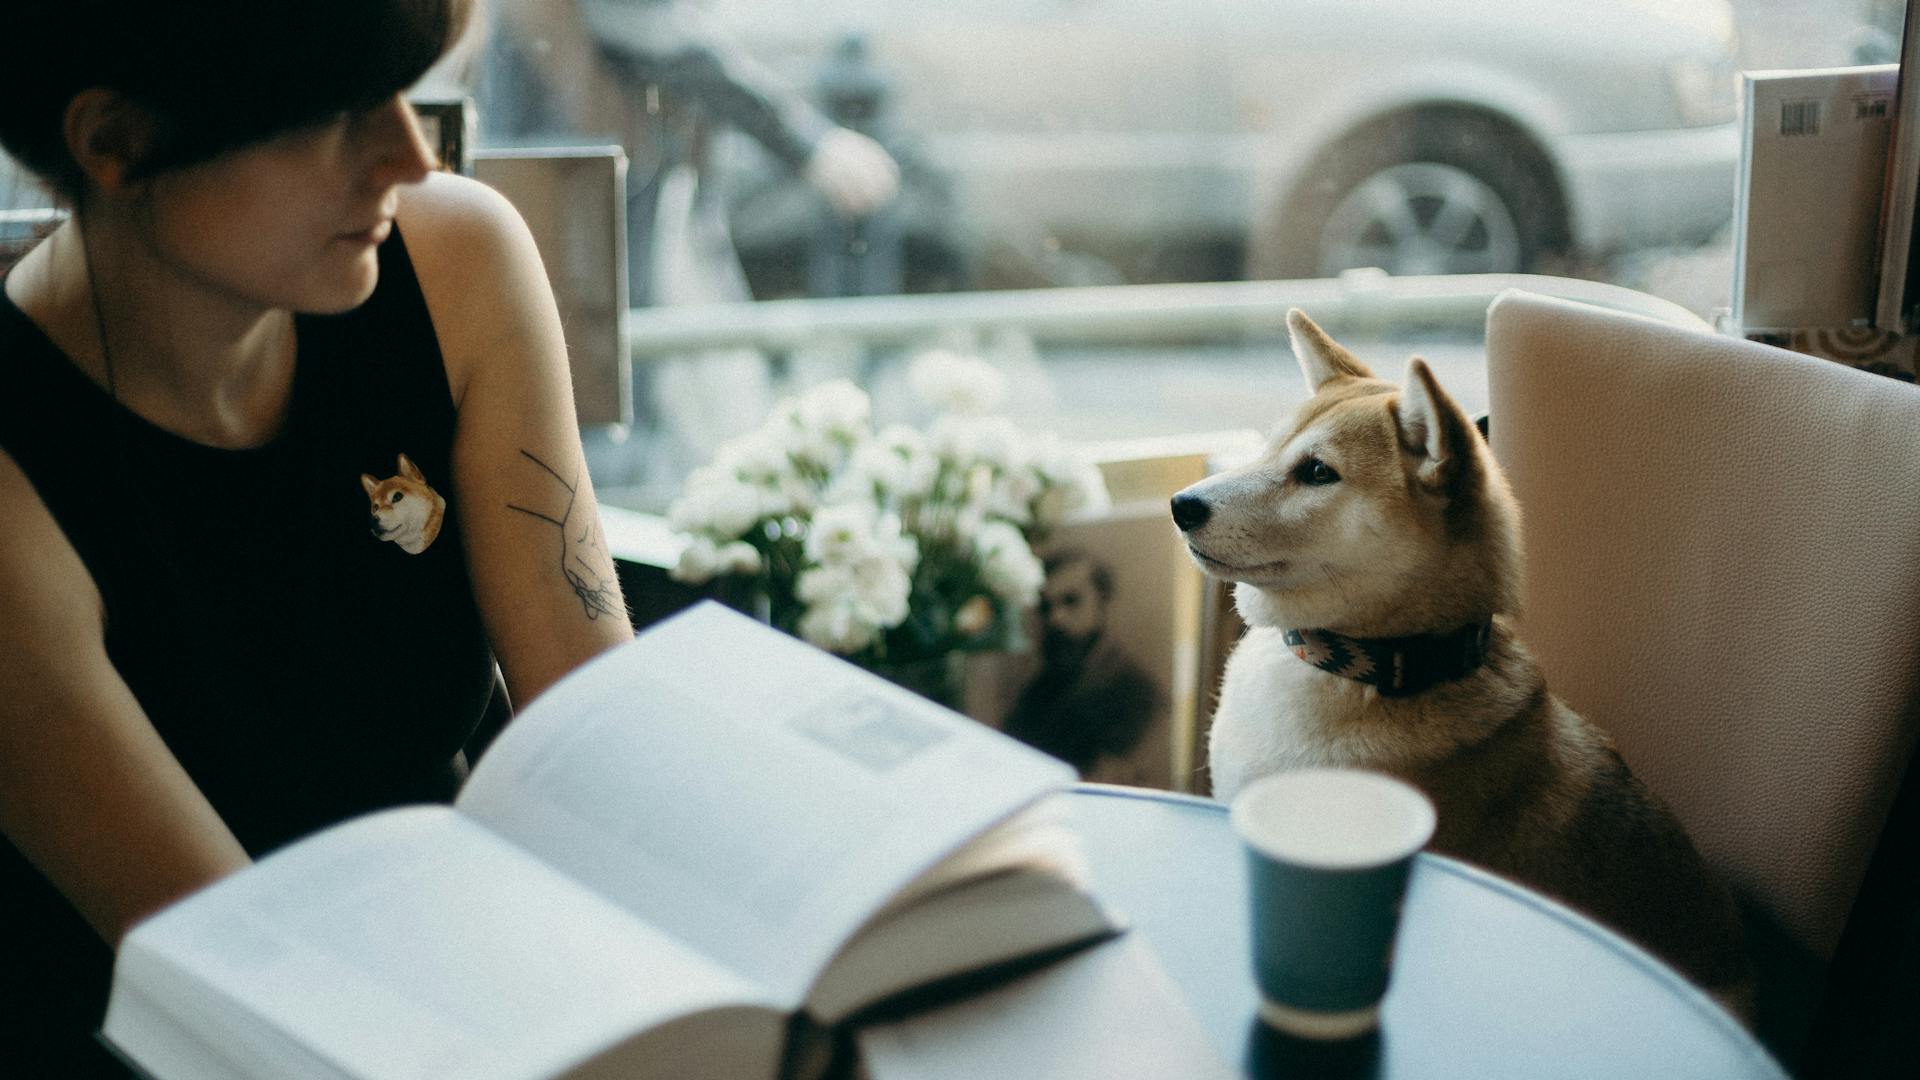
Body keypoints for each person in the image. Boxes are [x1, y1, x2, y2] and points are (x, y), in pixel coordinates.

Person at [0, 3, 636, 1074]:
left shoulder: (456, 260)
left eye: (399, 87)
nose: (409, 151)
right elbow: (256, 988)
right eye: (329, 113)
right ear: (113, 142)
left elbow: (608, 744)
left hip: (480, 986)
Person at [1000, 550, 1163, 782]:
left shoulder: (1137, 694)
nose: (1056, 618)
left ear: (1102, 603)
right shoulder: (1039, 690)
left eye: (1071, 601)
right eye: (1046, 607)